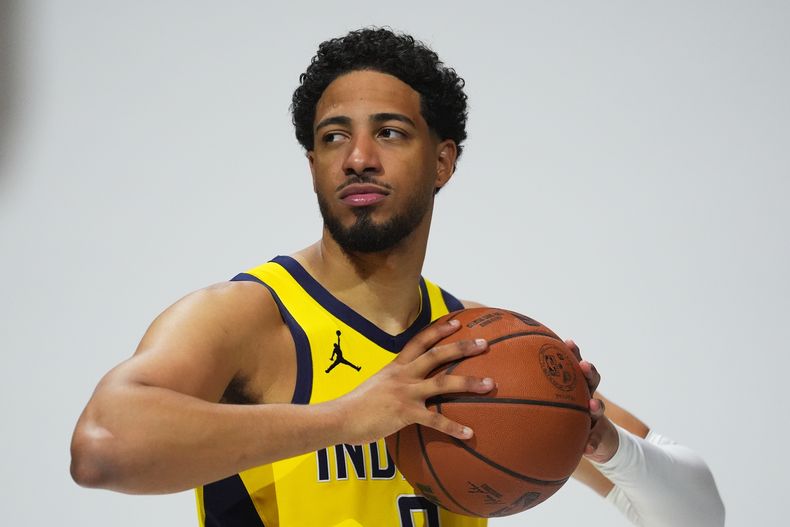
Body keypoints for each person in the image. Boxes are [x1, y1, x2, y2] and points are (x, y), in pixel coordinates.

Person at [70, 28, 724, 526]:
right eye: (333, 138)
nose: (357, 158)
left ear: (442, 161)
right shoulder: (247, 317)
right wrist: (344, 419)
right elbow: (101, 447)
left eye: (388, 132)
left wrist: (602, 440)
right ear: (313, 164)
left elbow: (699, 514)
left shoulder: (480, 347)